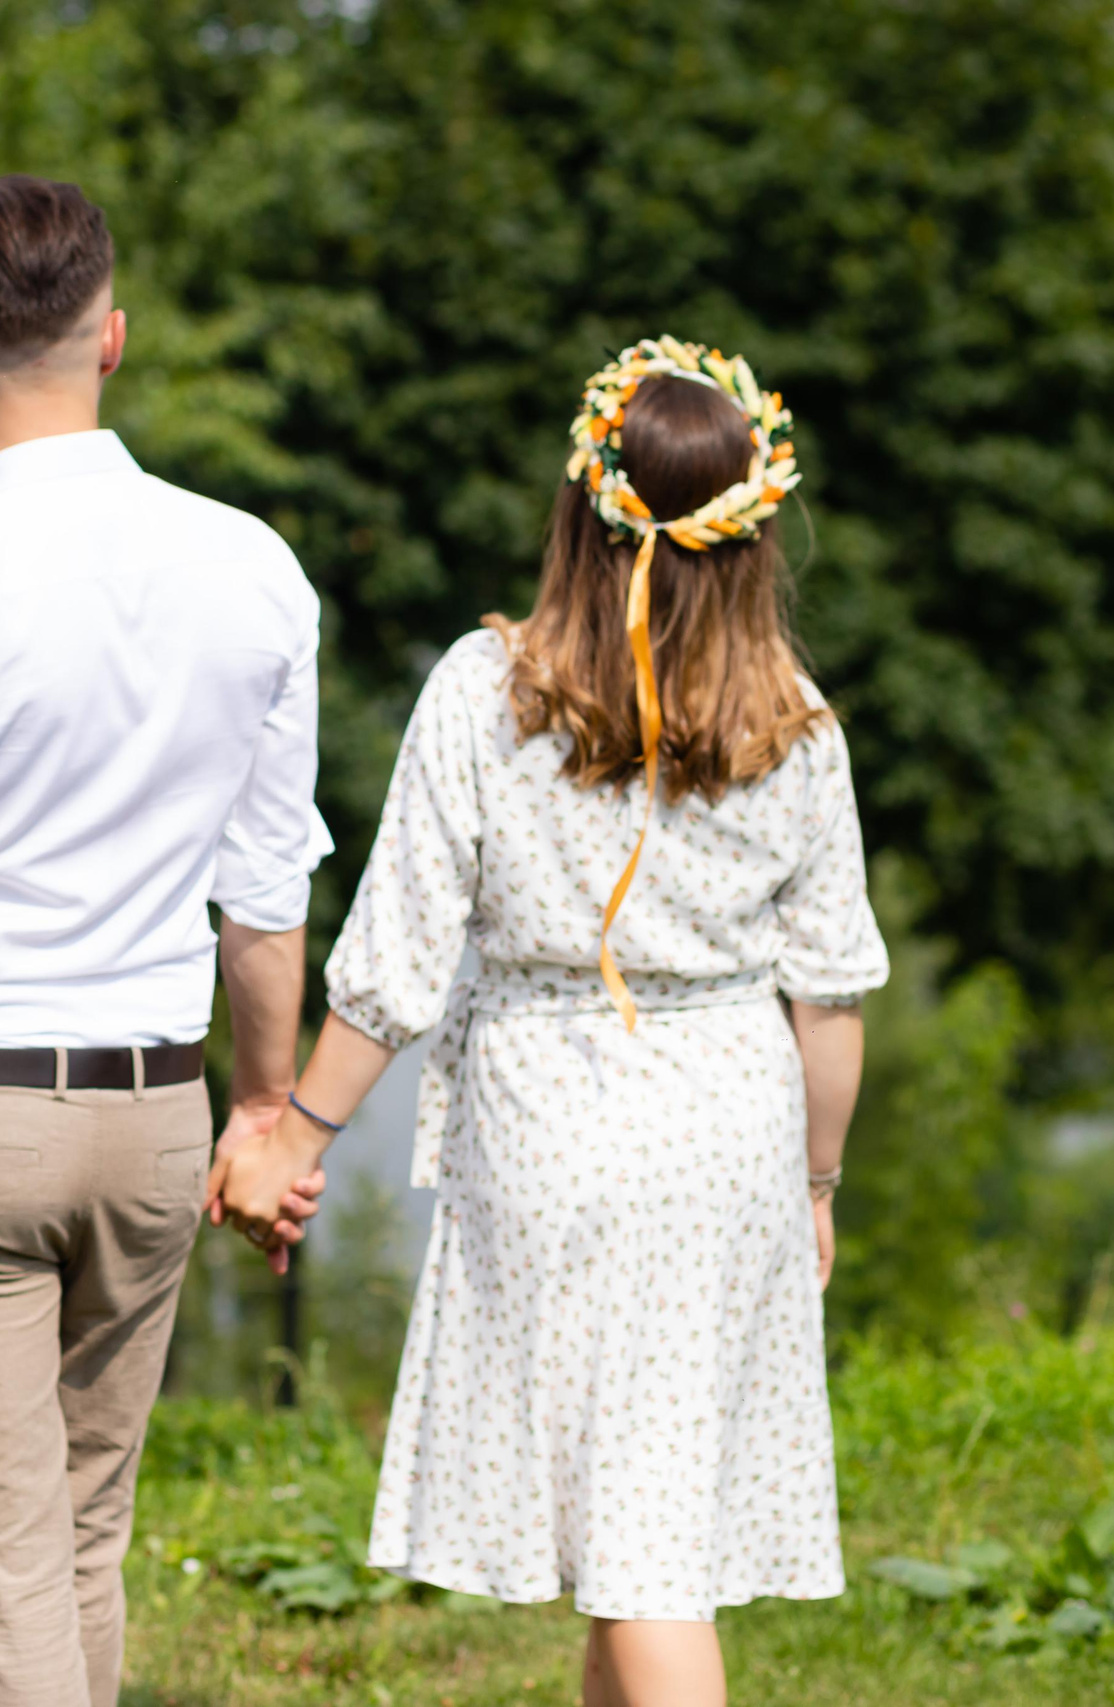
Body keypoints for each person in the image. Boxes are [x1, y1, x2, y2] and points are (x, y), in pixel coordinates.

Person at [212, 338, 888, 1707]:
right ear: (753, 538)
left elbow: (397, 957)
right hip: (732, 1133)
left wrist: (297, 1131)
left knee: (639, 1556)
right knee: (639, 1523)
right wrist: (815, 1183)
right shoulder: (798, 725)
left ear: (580, 513)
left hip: (558, 1123)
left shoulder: (490, 689)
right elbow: (829, 997)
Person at [0, 174, 329, 1707]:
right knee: (79, 1549)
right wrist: (266, 1106)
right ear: (113, 337)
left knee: (6, 1585)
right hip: (157, 1118)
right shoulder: (255, 569)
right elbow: (268, 881)